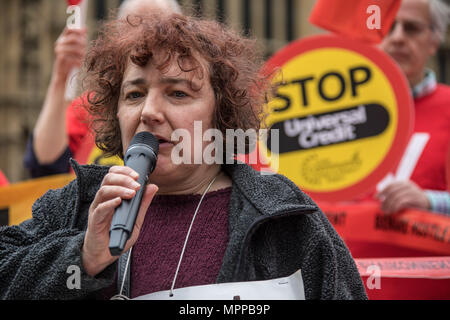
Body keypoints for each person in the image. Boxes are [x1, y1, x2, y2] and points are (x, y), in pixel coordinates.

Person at [0, 13, 367, 300]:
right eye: (134, 94)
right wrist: (81, 258)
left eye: (177, 93)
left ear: (220, 114)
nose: (149, 112)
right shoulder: (78, 204)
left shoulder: (282, 215)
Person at [23, 0, 182, 178]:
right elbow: (46, 166)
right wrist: (61, 76)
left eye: (160, 32)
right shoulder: (93, 107)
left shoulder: (195, 107)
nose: (146, 45)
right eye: (135, 32)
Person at [377, 0, 450, 215]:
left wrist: (430, 201)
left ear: (434, 40)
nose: (398, 37)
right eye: (387, 27)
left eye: (411, 28)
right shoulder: (335, 113)